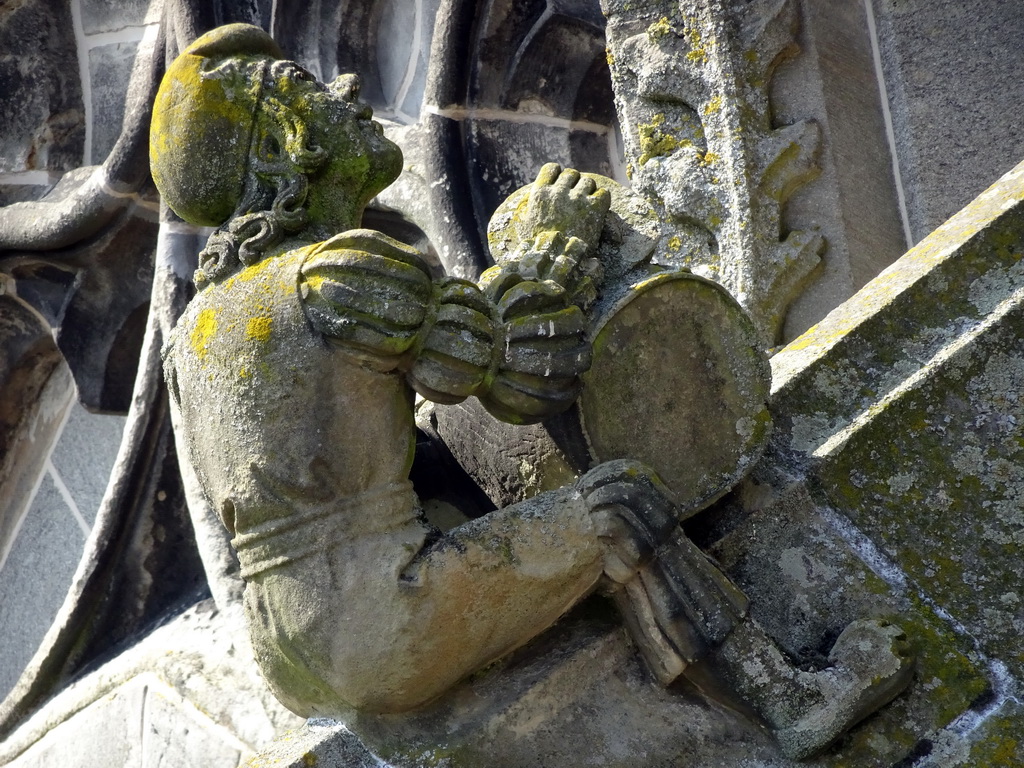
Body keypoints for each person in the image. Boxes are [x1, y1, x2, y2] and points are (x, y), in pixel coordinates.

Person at [153, 24, 914, 760]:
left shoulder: (196, 335)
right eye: (304, 87)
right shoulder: (336, 271)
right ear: (288, 144)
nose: (346, 88)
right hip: (385, 620)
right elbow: (517, 366)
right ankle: (790, 700)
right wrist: (550, 241)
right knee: (620, 508)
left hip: (291, 655)